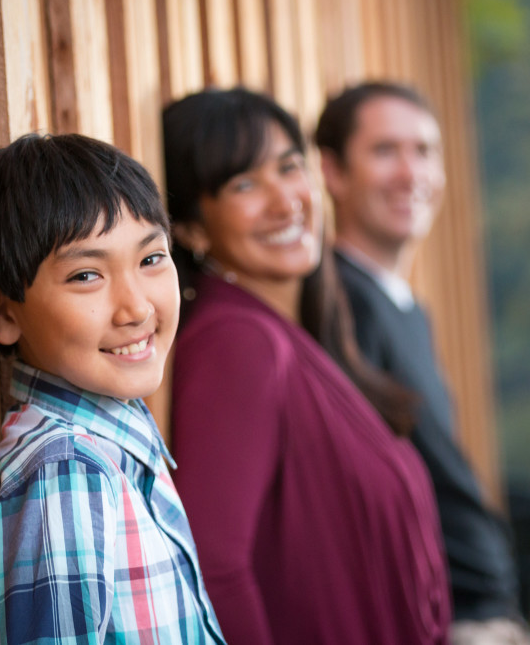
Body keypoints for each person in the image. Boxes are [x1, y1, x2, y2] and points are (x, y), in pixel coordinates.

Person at [163, 87, 451, 645]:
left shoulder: (294, 338)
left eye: (289, 167)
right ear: (193, 229)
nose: (284, 200)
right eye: (244, 183)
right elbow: (215, 570)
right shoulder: (236, 341)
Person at [0, 134, 225, 644]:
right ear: (3, 312)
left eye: (152, 259)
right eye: (87, 274)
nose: (136, 308)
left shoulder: (111, 449)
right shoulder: (67, 470)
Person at [317, 82, 530, 645]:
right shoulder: (342, 307)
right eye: (385, 151)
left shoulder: (403, 306)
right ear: (333, 172)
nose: (411, 173)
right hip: (447, 622)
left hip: (487, 609)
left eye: (425, 151)